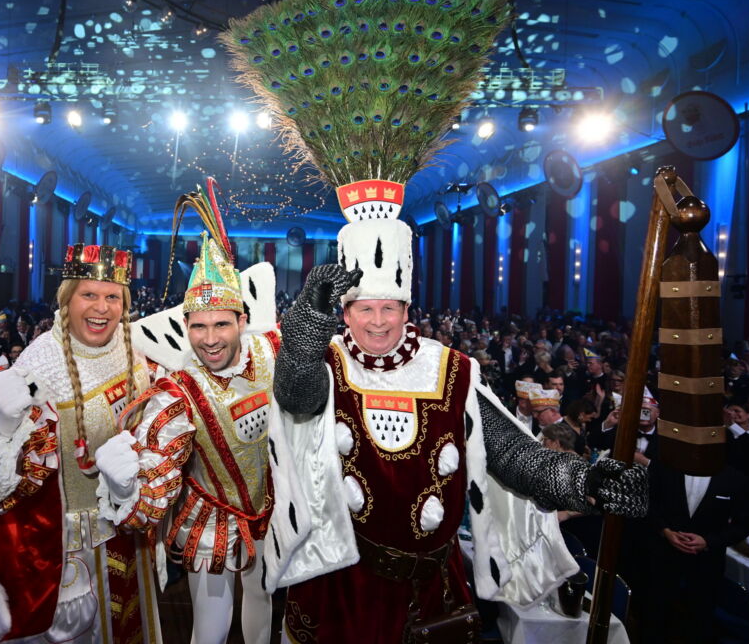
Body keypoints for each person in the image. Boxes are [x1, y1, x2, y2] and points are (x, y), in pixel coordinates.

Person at [265, 208, 646, 642]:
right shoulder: (326, 361)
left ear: (407, 309)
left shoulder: (449, 369)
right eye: (364, 308)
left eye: (388, 307)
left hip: (430, 587)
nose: (377, 321)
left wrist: (584, 480)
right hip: (341, 581)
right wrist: (307, 323)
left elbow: (508, 452)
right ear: (345, 313)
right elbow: (296, 394)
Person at [0, 243, 162, 643]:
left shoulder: (136, 348)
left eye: (112, 296)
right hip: (70, 554)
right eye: (89, 294)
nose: (102, 307)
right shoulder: (39, 364)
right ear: (66, 298)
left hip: (128, 534)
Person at [97, 214, 279, 644]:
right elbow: (155, 482)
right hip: (211, 519)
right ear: (186, 328)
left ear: (242, 321)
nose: (209, 338)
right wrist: (127, 485)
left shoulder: (271, 350)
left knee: (263, 611)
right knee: (210, 632)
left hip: (272, 509)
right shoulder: (175, 392)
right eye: (198, 325)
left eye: (221, 324)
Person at [642, 460, 749, 643]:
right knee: (655, 611)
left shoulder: (734, 478)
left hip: (707, 561)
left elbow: (745, 524)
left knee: (700, 617)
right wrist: (665, 531)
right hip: (664, 555)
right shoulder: (665, 467)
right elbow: (647, 504)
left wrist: (708, 541)